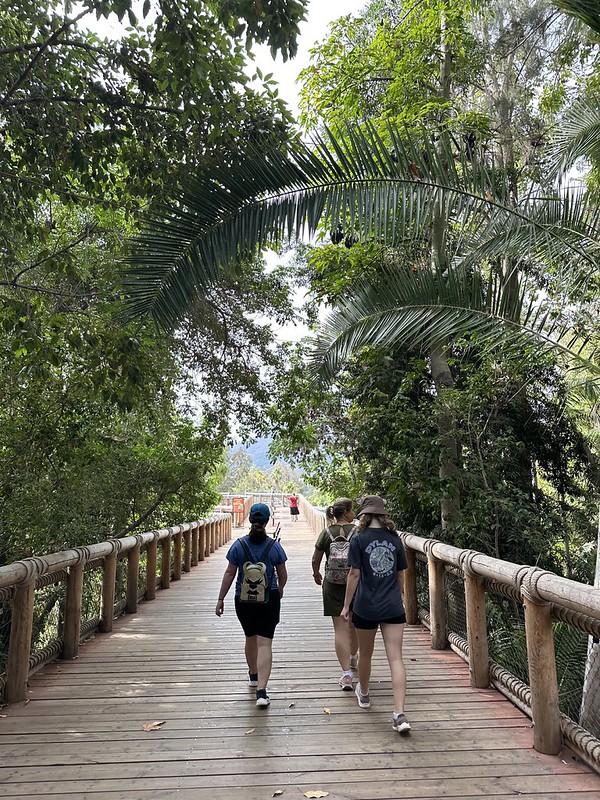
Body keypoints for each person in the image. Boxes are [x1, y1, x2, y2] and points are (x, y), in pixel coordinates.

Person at [341, 495, 411, 735]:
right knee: (396, 659)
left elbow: (354, 574)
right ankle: (399, 714)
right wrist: (398, 597)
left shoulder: (359, 539)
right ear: (383, 514)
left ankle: (364, 694)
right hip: (392, 606)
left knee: (366, 654)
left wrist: (346, 605)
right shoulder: (394, 538)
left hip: (365, 606)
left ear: (364, 515)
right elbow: (401, 574)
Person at [215, 502, 288, 708]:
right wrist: (279, 589)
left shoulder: (238, 545)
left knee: (250, 637)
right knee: (265, 642)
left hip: (243, 600)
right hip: (269, 598)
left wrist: (220, 599)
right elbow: (283, 574)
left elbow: (230, 573)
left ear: (249, 520)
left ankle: (254, 675)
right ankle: (262, 692)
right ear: (267, 521)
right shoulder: (274, 547)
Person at [312, 497, 359, 690]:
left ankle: (346, 675)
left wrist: (316, 573)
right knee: (355, 625)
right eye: (352, 510)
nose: (354, 513)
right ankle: (353, 657)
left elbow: (315, 558)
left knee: (340, 628)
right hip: (356, 583)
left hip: (332, 584)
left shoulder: (326, 533)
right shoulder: (358, 531)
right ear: (346, 512)